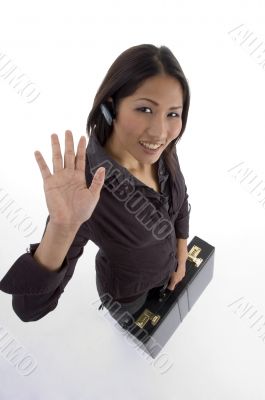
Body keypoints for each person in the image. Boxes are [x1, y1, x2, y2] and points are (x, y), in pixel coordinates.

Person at [0, 44, 191, 329]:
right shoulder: (86, 187)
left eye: (173, 114)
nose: (159, 132)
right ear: (111, 106)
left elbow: (180, 200)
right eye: (145, 109)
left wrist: (182, 251)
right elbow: (28, 309)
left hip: (170, 269)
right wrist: (62, 227)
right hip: (128, 295)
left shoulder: (160, 150)